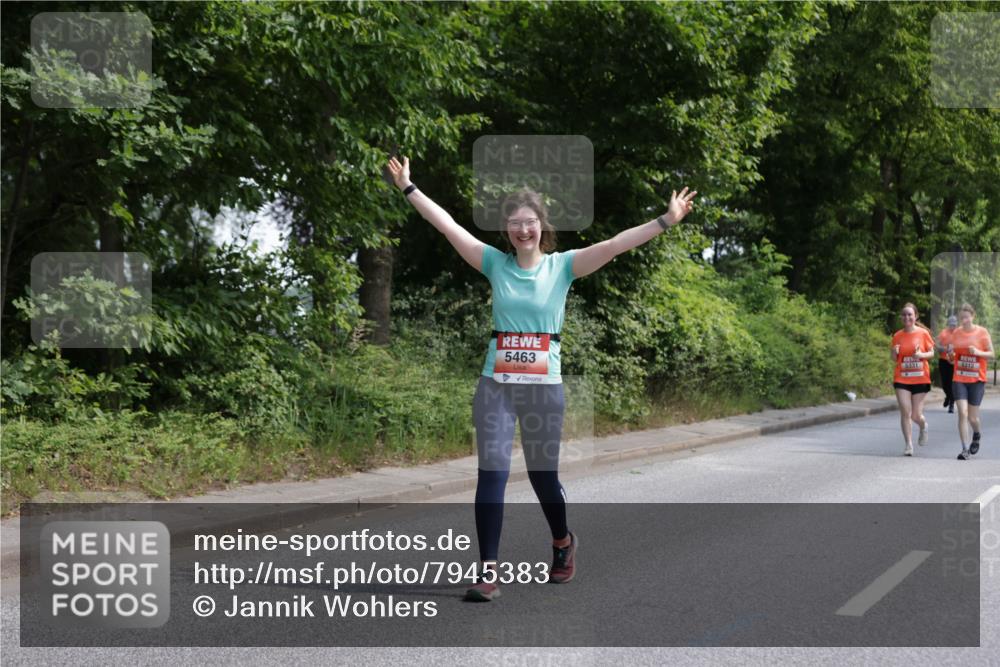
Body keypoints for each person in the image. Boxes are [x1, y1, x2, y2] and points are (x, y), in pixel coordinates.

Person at [386, 155, 696, 601]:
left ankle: (563, 542)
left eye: (529, 222)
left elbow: (613, 245)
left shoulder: (563, 267)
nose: (522, 230)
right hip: (495, 384)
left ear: (541, 226)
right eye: (514, 223)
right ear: (507, 230)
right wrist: (408, 188)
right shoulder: (494, 263)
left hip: (543, 388)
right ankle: (488, 572)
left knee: (541, 477)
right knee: (491, 473)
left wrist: (665, 221)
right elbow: (448, 226)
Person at [949, 303, 994, 460]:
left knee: (972, 418)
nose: (964, 320)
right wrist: (950, 355)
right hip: (959, 378)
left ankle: (976, 433)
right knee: (962, 412)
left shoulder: (982, 333)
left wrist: (978, 352)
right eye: (961, 318)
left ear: (972, 317)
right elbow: (952, 357)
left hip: (976, 379)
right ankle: (965, 449)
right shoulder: (956, 333)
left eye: (966, 317)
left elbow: (992, 354)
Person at [891, 303, 935, 456]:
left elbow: (931, 353)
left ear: (915, 316)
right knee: (905, 411)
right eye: (904, 314)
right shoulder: (897, 335)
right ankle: (908, 444)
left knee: (916, 415)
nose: (907, 317)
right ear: (901, 317)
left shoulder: (923, 333)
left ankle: (923, 426)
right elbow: (894, 359)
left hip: (920, 378)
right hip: (902, 378)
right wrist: (894, 352)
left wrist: (920, 356)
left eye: (910, 314)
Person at [937, 314, 959, 413]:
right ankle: (948, 396)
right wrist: (945, 349)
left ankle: (951, 404)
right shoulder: (943, 333)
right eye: (951, 325)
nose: (952, 327)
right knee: (945, 384)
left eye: (954, 325)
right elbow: (937, 347)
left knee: (952, 383)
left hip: (954, 362)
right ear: (948, 324)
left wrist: (954, 349)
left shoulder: (959, 334)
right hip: (943, 361)